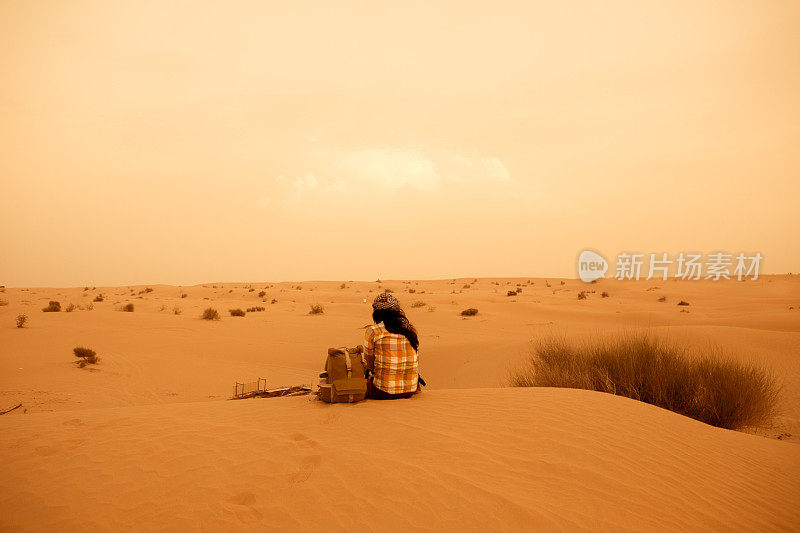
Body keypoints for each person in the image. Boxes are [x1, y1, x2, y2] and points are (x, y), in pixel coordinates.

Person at [363, 292, 421, 399]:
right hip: (411, 390)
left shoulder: (373, 331)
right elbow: (416, 360)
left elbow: (368, 363)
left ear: (376, 312)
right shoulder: (410, 331)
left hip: (382, 391)